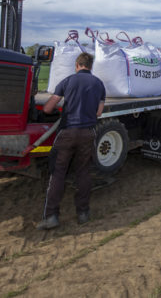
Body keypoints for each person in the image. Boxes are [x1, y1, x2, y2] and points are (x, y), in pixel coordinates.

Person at [37, 52, 105, 230]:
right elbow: (99, 112)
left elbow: (49, 107)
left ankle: (51, 216)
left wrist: (50, 110)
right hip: (88, 133)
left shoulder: (67, 81)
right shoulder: (98, 84)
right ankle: (83, 214)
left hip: (67, 133)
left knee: (58, 173)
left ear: (77, 65)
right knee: (83, 172)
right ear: (90, 66)